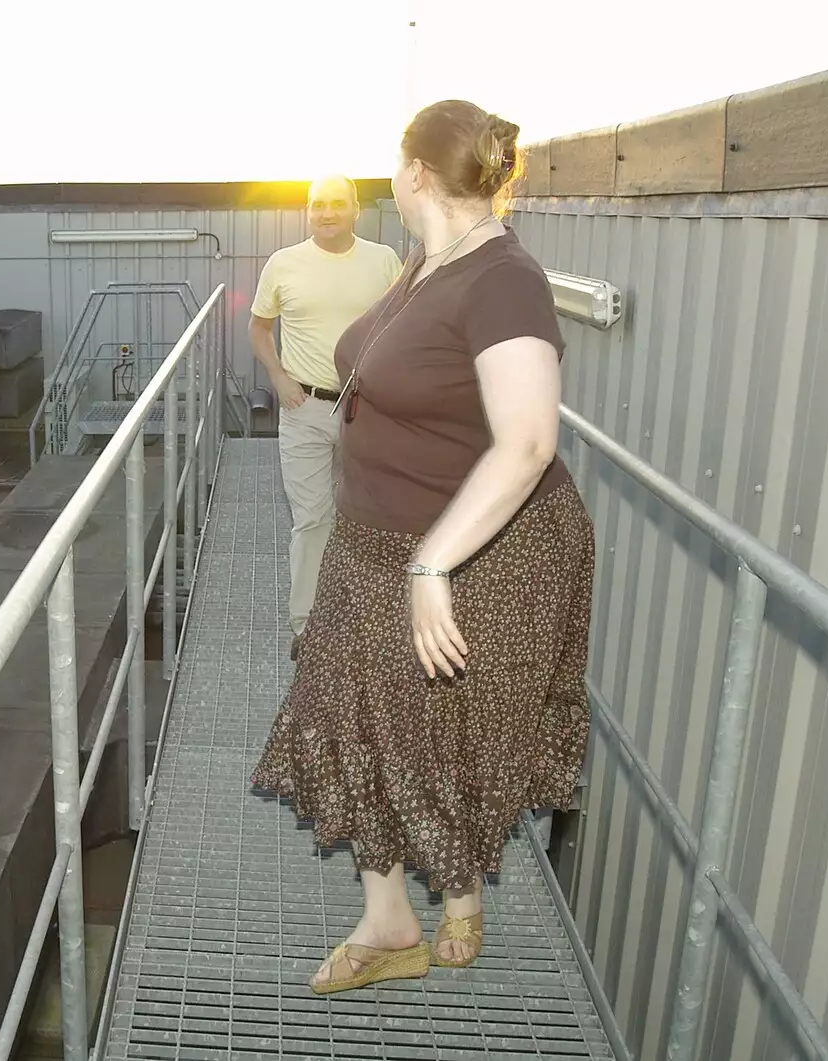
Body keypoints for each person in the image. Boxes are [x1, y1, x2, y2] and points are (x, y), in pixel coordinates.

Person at [250, 100, 596, 993]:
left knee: (441, 731)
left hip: (471, 554)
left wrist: (434, 563)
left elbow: (527, 441)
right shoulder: (431, 260)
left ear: (412, 175)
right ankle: (394, 913)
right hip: (372, 543)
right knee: (355, 715)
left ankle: (457, 894)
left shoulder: (504, 278)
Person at [249, 176, 403, 661]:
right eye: (318, 205)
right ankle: (309, 628)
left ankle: (365, 621)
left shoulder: (383, 261)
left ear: (357, 210)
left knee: (365, 515)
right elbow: (258, 327)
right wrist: (278, 377)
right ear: (307, 211)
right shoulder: (284, 264)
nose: (326, 213)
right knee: (313, 517)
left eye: (337, 204)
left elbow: (404, 327)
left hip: (366, 410)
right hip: (304, 410)